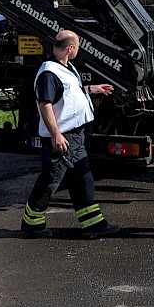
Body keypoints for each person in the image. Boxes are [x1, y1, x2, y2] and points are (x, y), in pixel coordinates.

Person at [20, 29, 118, 239]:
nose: (78, 51)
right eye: (78, 47)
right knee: (50, 180)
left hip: (75, 136)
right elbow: (45, 104)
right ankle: (31, 225)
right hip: (63, 137)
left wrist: (92, 89)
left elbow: (69, 94)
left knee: (82, 179)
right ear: (70, 48)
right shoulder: (49, 73)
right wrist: (55, 134)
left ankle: (93, 225)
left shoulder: (65, 67)